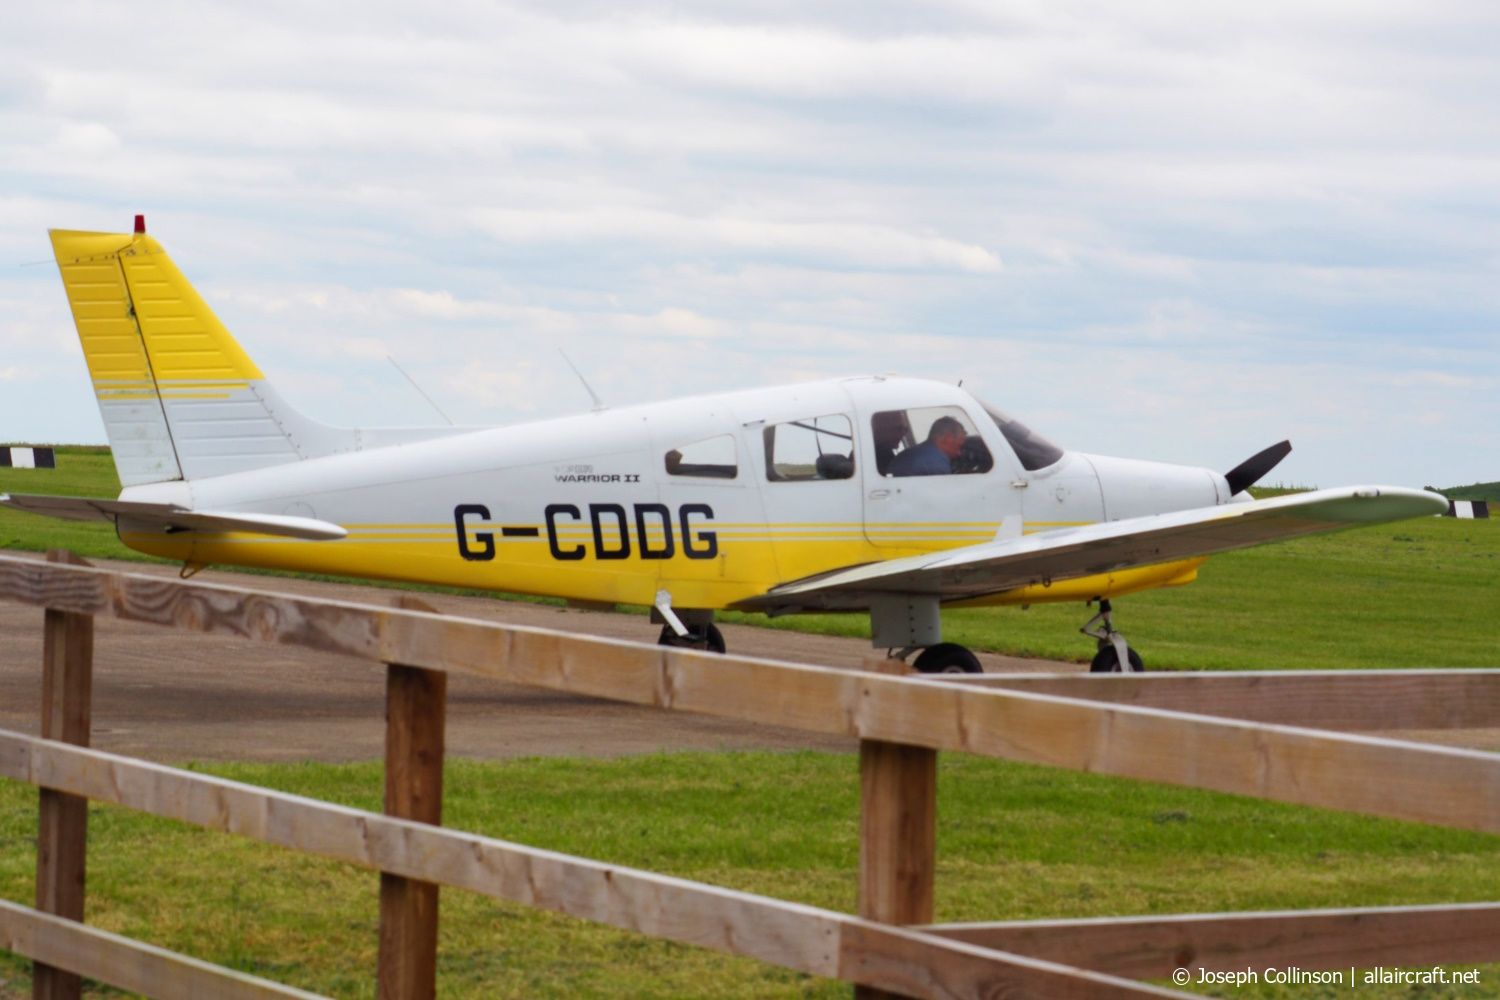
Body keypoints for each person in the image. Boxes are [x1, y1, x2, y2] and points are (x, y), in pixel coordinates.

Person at [888, 416, 966, 476]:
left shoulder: (908, 453)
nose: (959, 453)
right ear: (947, 438)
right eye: (959, 446)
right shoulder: (937, 464)